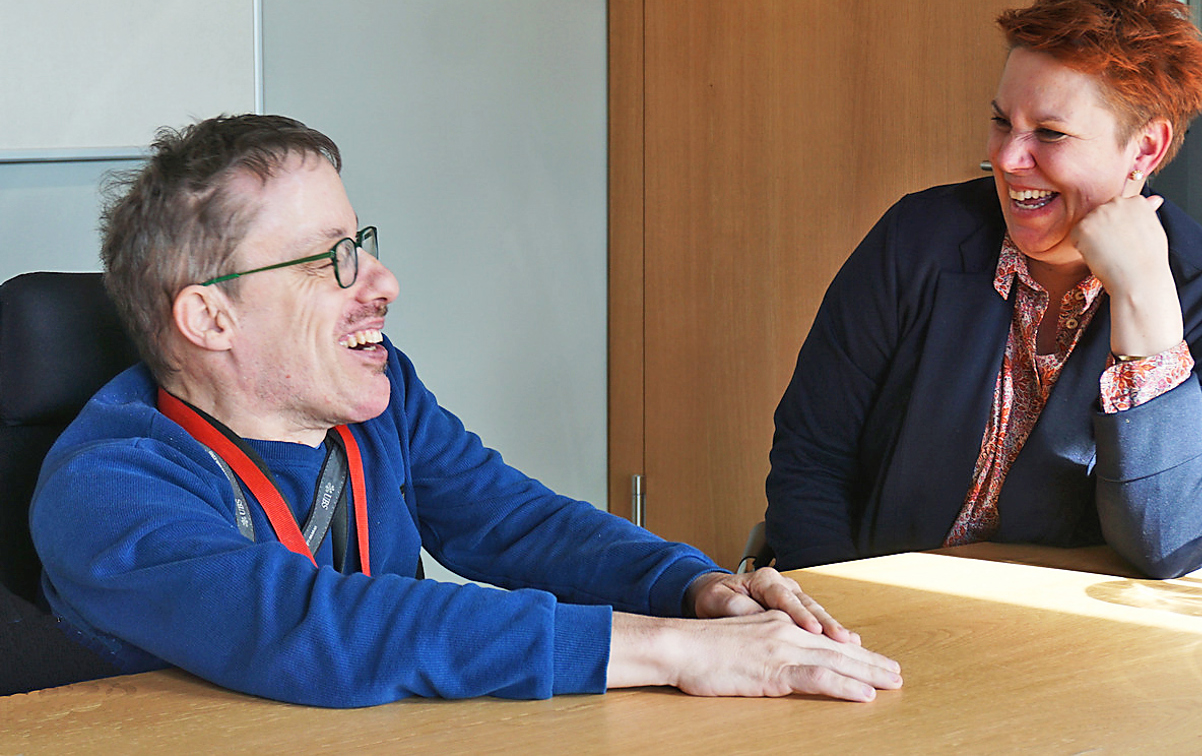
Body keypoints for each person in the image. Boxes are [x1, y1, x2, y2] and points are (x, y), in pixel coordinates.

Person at [30, 114, 902, 707]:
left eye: (361, 244)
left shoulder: (379, 399)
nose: (383, 281)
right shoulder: (106, 489)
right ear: (210, 318)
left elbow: (519, 525)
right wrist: (669, 651)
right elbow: (317, 631)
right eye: (328, 260)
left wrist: (697, 589)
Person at [765, 0, 1202, 580]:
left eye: (1049, 133)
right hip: (869, 613)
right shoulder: (917, 239)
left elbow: (1176, 542)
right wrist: (835, 609)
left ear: (1145, 149)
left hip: (1061, 633)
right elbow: (812, 457)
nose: (1007, 158)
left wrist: (1145, 308)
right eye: (1002, 123)